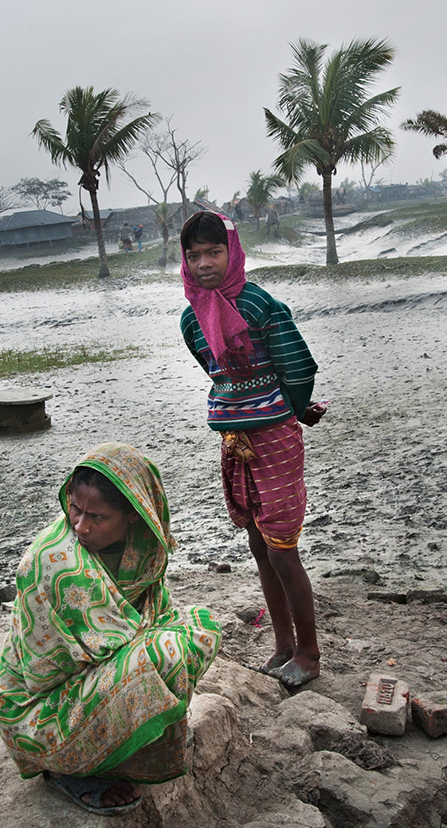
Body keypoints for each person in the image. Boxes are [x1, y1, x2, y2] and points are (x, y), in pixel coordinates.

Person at [0, 443, 223, 816]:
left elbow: (156, 617)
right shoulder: (57, 561)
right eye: (75, 510)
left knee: (201, 630)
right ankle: (68, 768)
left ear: (134, 515)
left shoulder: (141, 551)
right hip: (40, 706)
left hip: (89, 684)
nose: (80, 526)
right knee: (164, 655)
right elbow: (58, 668)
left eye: (96, 516)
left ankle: (120, 747)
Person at [177, 211, 326, 688]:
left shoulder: (261, 305)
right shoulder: (191, 317)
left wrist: (294, 409)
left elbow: (298, 366)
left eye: (214, 252)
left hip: (275, 438)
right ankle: (282, 645)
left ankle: (309, 653)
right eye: (194, 255)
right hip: (235, 440)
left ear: (233, 252)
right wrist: (247, 405)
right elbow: (215, 371)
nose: (204, 263)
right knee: (258, 543)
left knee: (283, 548)